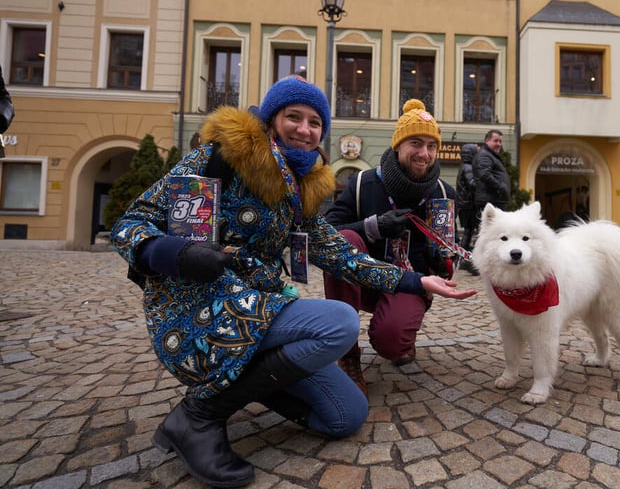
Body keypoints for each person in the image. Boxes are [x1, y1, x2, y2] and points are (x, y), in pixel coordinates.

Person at [110, 78, 475, 488]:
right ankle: (199, 416)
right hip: (197, 314)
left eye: (315, 122)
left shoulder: (298, 190)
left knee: (344, 416)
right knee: (337, 322)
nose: (305, 129)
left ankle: (249, 378)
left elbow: (341, 255)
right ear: (271, 121)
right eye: (294, 117)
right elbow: (129, 224)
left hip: (254, 317)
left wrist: (416, 280)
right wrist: (176, 254)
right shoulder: (220, 159)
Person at [323, 99, 458, 392]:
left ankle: (399, 336)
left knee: (391, 342)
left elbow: (451, 250)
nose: (424, 154)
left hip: (409, 283)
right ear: (397, 145)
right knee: (344, 241)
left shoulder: (444, 193)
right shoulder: (362, 184)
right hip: (363, 280)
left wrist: (444, 261)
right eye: (416, 143)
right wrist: (374, 227)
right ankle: (347, 354)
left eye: (432, 146)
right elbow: (327, 233)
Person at [455, 143, 480, 275]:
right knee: (472, 232)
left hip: (465, 205)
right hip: (469, 206)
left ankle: (463, 258)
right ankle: (466, 259)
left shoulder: (463, 166)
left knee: (468, 232)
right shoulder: (469, 167)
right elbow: (473, 184)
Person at [473, 129, 511, 212]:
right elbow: (484, 174)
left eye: (500, 141)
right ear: (487, 141)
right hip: (490, 202)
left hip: (494, 200)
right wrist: (500, 186)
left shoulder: (490, 155)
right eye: (495, 141)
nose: (499, 144)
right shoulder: (485, 155)